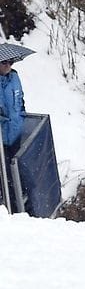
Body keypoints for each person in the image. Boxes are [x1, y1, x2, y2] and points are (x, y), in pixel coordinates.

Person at [0, 57, 26, 210]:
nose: (9, 66)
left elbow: (20, 99)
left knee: (16, 172)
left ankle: (18, 205)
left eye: (11, 62)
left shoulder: (15, 77)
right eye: (4, 63)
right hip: (1, 136)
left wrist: (21, 114)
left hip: (15, 133)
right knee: (4, 175)